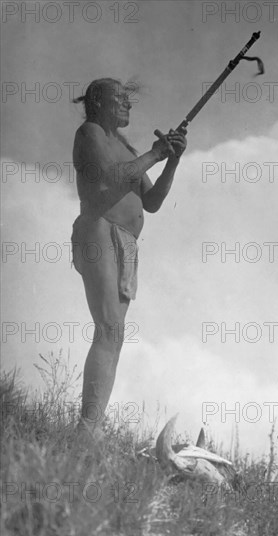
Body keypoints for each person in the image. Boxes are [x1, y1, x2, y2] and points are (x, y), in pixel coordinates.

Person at [71, 78, 187, 446]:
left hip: (125, 242)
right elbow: (108, 179)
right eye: (120, 99)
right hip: (99, 230)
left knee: (114, 335)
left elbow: (151, 202)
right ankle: (88, 429)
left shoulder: (125, 146)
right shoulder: (90, 133)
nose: (128, 106)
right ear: (98, 103)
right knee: (108, 328)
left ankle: (92, 425)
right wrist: (155, 154)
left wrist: (172, 160)